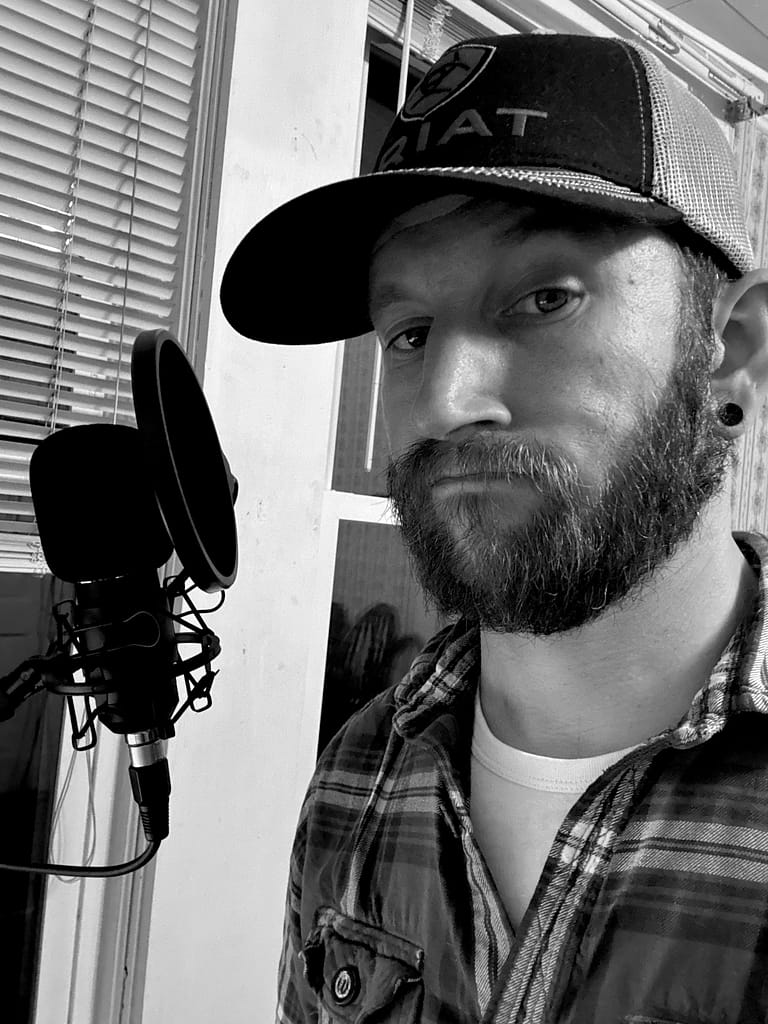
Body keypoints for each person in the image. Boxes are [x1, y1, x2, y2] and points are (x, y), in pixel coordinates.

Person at [221, 33, 768, 1024]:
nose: (444, 401)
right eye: (410, 333)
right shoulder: (357, 779)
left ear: (729, 358)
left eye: (543, 298)